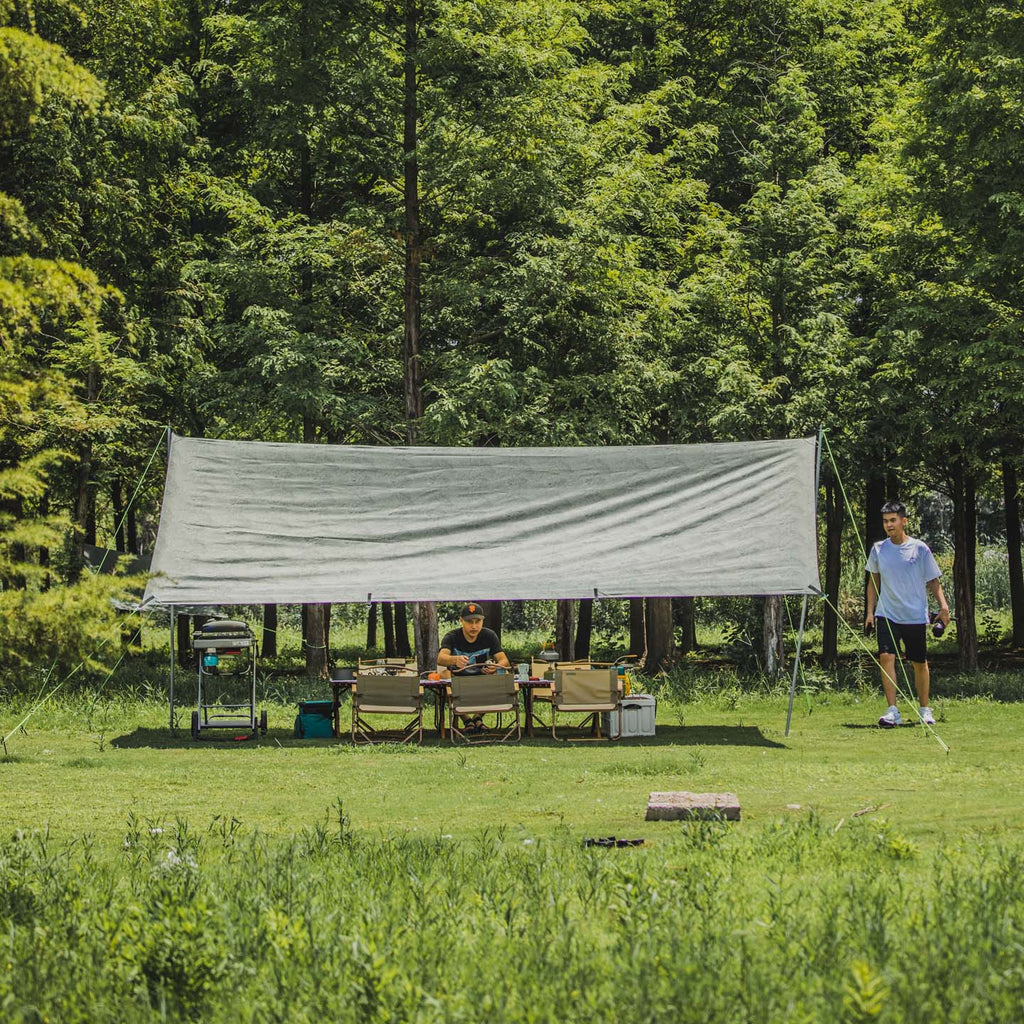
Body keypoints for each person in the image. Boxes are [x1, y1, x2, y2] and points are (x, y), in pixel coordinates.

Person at [864, 500, 951, 728]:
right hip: (887, 613)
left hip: (914, 615)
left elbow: (933, 581)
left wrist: (944, 606)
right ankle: (892, 711)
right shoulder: (878, 549)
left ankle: (924, 709)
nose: (889, 525)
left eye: (893, 520)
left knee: (919, 663)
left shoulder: (919, 548)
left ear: (904, 521)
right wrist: (870, 612)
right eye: (885, 521)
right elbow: (873, 582)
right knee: (886, 657)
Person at [437, 602, 511, 732]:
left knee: (499, 676)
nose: (474, 626)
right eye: (469, 622)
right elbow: (440, 658)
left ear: (483, 621)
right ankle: (466, 719)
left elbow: (504, 660)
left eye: (478, 622)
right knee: (444, 675)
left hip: (482, 681)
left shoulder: (489, 636)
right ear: (461, 621)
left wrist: (495, 666)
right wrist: (455, 659)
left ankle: (477, 718)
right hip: (458, 682)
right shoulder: (452, 637)